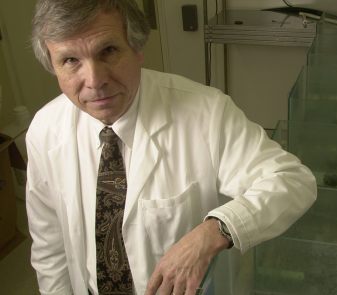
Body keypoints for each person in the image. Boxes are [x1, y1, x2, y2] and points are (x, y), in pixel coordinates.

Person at [26, 0, 317, 295]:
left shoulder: (206, 113)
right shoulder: (44, 130)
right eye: (70, 61)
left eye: (108, 51)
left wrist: (213, 232)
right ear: (53, 65)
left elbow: (293, 181)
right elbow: (49, 248)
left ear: (138, 48)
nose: (95, 81)